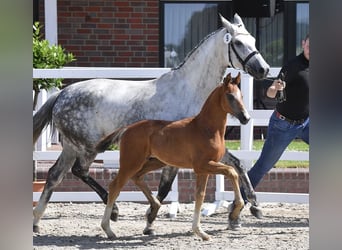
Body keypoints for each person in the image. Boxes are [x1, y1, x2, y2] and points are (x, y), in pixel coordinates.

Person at [239, 34, 310, 219]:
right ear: (303, 44)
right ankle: (239, 202)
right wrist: (276, 88)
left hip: (307, 123)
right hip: (283, 124)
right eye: (310, 45)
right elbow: (271, 92)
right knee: (263, 166)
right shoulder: (292, 66)